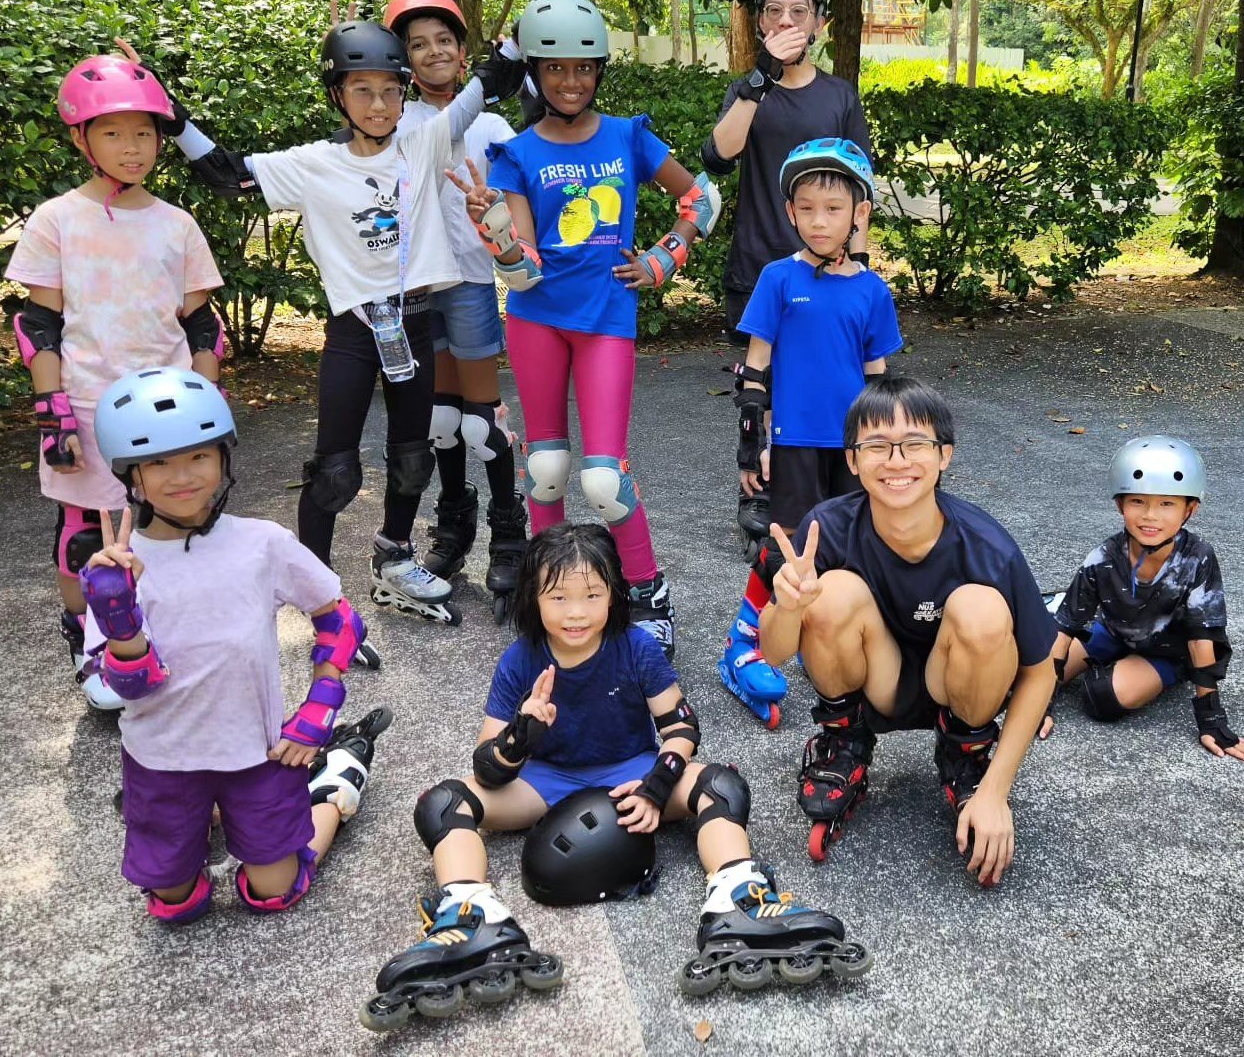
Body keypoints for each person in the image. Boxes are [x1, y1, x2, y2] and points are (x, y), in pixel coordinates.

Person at [359, 523, 867, 1031]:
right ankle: (469, 913)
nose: (576, 612)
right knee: (445, 804)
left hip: (631, 771)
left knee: (720, 786)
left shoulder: (634, 648)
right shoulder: (521, 659)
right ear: (533, 600)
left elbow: (681, 726)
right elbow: (486, 765)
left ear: (613, 595)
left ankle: (737, 897)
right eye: (558, 597)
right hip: (546, 779)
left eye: (592, 595)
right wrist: (522, 735)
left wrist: (658, 785)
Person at [123, 19, 527, 628]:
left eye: (391, 90)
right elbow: (227, 174)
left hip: (413, 325)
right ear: (337, 95)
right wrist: (169, 114)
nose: (380, 104)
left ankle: (393, 559)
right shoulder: (313, 163)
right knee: (336, 470)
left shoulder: (426, 141)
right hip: (355, 333)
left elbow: (493, 81)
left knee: (413, 456)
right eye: (361, 90)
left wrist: (527, 28)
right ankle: (315, 585)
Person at [451, 0, 724, 660]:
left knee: (603, 481)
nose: (569, 81)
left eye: (582, 67)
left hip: (605, 320)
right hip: (537, 320)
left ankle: (646, 592)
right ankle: (549, 595)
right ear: (536, 76)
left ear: (598, 69)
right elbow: (525, 272)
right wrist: (496, 233)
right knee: (544, 470)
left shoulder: (628, 136)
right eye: (554, 69)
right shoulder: (514, 153)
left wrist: (664, 257)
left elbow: (703, 197)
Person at [84, 366, 392, 923]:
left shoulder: (261, 543)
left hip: (259, 750)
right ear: (130, 476)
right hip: (163, 758)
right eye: (157, 462)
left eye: (199, 456)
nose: (182, 476)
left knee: (273, 894)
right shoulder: (115, 574)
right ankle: (215, 819)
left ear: (224, 459)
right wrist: (119, 617)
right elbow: (130, 686)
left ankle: (338, 779)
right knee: (173, 905)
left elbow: (340, 620)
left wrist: (318, 714)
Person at [760, 377, 1055, 883]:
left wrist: (996, 791)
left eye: (915, 444)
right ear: (851, 460)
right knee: (829, 593)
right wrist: (788, 607)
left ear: (945, 456)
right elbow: (772, 652)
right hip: (877, 678)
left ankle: (967, 753)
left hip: (958, 686)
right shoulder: (824, 529)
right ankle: (844, 740)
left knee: (982, 609)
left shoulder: (987, 546)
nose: (896, 461)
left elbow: (1041, 672)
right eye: (876, 445)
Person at [5, 54, 224, 707]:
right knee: (82, 527)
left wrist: (208, 403)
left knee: (176, 519)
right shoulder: (56, 220)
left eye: (144, 133)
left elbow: (203, 326)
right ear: (81, 139)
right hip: (87, 401)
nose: (133, 148)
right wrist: (52, 409)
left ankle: (173, 630)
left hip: (168, 407)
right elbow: (37, 323)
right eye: (113, 133)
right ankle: (90, 637)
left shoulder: (176, 224)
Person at [718, 138, 901, 728]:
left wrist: (886, 446)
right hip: (793, 439)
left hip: (851, 446)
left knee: (853, 540)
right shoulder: (777, 278)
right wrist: (754, 441)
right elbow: (755, 367)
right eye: (807, 208)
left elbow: (880, 382)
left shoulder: (871, 291)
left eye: (833, 208)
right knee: (787, 541)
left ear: (858, 215)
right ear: (790, 212)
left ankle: (833, 630)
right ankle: (745, 640)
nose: (819, 221)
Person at [701, 0, 872, 550]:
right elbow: (717, 157)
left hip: (830, 273)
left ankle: (822, 494)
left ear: (820, 23)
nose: (786, 21)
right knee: (761, 386)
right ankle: (757, 492)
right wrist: (760, 78)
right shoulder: (750, 91)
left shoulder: (839, 96)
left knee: (820, 385)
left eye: (799, 11)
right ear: (760, 23)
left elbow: (859, 190)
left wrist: (862, 275)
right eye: (774, 11)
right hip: (760, 265)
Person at [386, 0, 528, 621]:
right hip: (417, 291)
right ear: (404, 60)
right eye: (418, 44)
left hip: (469, 282)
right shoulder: (393, 123)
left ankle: (508, 530)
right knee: (440, 422)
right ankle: (454, 526)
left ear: (465, 53)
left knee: (479, 418)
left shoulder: (493, 125)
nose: (434, 51)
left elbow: (512, 212)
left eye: (444, 40)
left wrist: (489, 213)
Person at [1048, 437, 1244, 761]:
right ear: (1120, 504)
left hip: (1167, 650)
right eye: (1137, 501)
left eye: (1167, 504)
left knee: (1102, 697)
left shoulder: (1197, 558)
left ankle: (1138, 671)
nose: (1150, 516)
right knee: (1026, 676)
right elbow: (1066, 627)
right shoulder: (1102, 557)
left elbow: (1201, 636)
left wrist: (1212, 719)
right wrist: (1041, 702)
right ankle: (1099, 658)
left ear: (1190, 509)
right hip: (1112, 631)